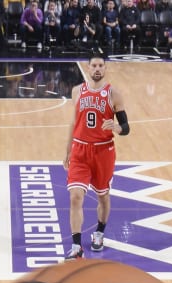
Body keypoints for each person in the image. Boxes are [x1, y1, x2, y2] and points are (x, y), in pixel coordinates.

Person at [62, 55, 128, 260]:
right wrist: (67, 151)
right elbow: (74, 122)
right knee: (75, 197)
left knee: (103, 196)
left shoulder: (114, 94)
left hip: (103, 151)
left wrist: (116, 127)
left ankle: (99, 232)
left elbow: (126, 127)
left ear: (105, 68)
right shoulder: (77, 91)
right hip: (80, 150)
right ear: (88, 68)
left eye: (101, 65)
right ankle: (76, 247)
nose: (97, 69)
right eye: (94, 65)